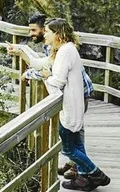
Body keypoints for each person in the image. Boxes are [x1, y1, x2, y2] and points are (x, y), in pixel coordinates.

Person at [7, 13, 94, 180]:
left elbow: (52, 74)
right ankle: (77, 166)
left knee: (74, 134)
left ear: (47, 31)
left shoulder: (60, 48)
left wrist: (31, 74)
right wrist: (20, 52)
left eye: (35, 30)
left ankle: (86, 170)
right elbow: (43, 63)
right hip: (72, 91)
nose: (32, 34)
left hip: (77, 93)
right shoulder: (54, 46)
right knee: (73, 135)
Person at [40, 18, 110, 191]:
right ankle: (84, 179)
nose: (44, 34)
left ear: (57, 34)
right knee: (77, 145)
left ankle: (96, 174)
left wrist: (46, 75)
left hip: (69, 107)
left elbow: (58, 81)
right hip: (75, 104)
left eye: (47, 31)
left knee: (69, 149)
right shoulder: (68, 49)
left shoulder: (65, 51)